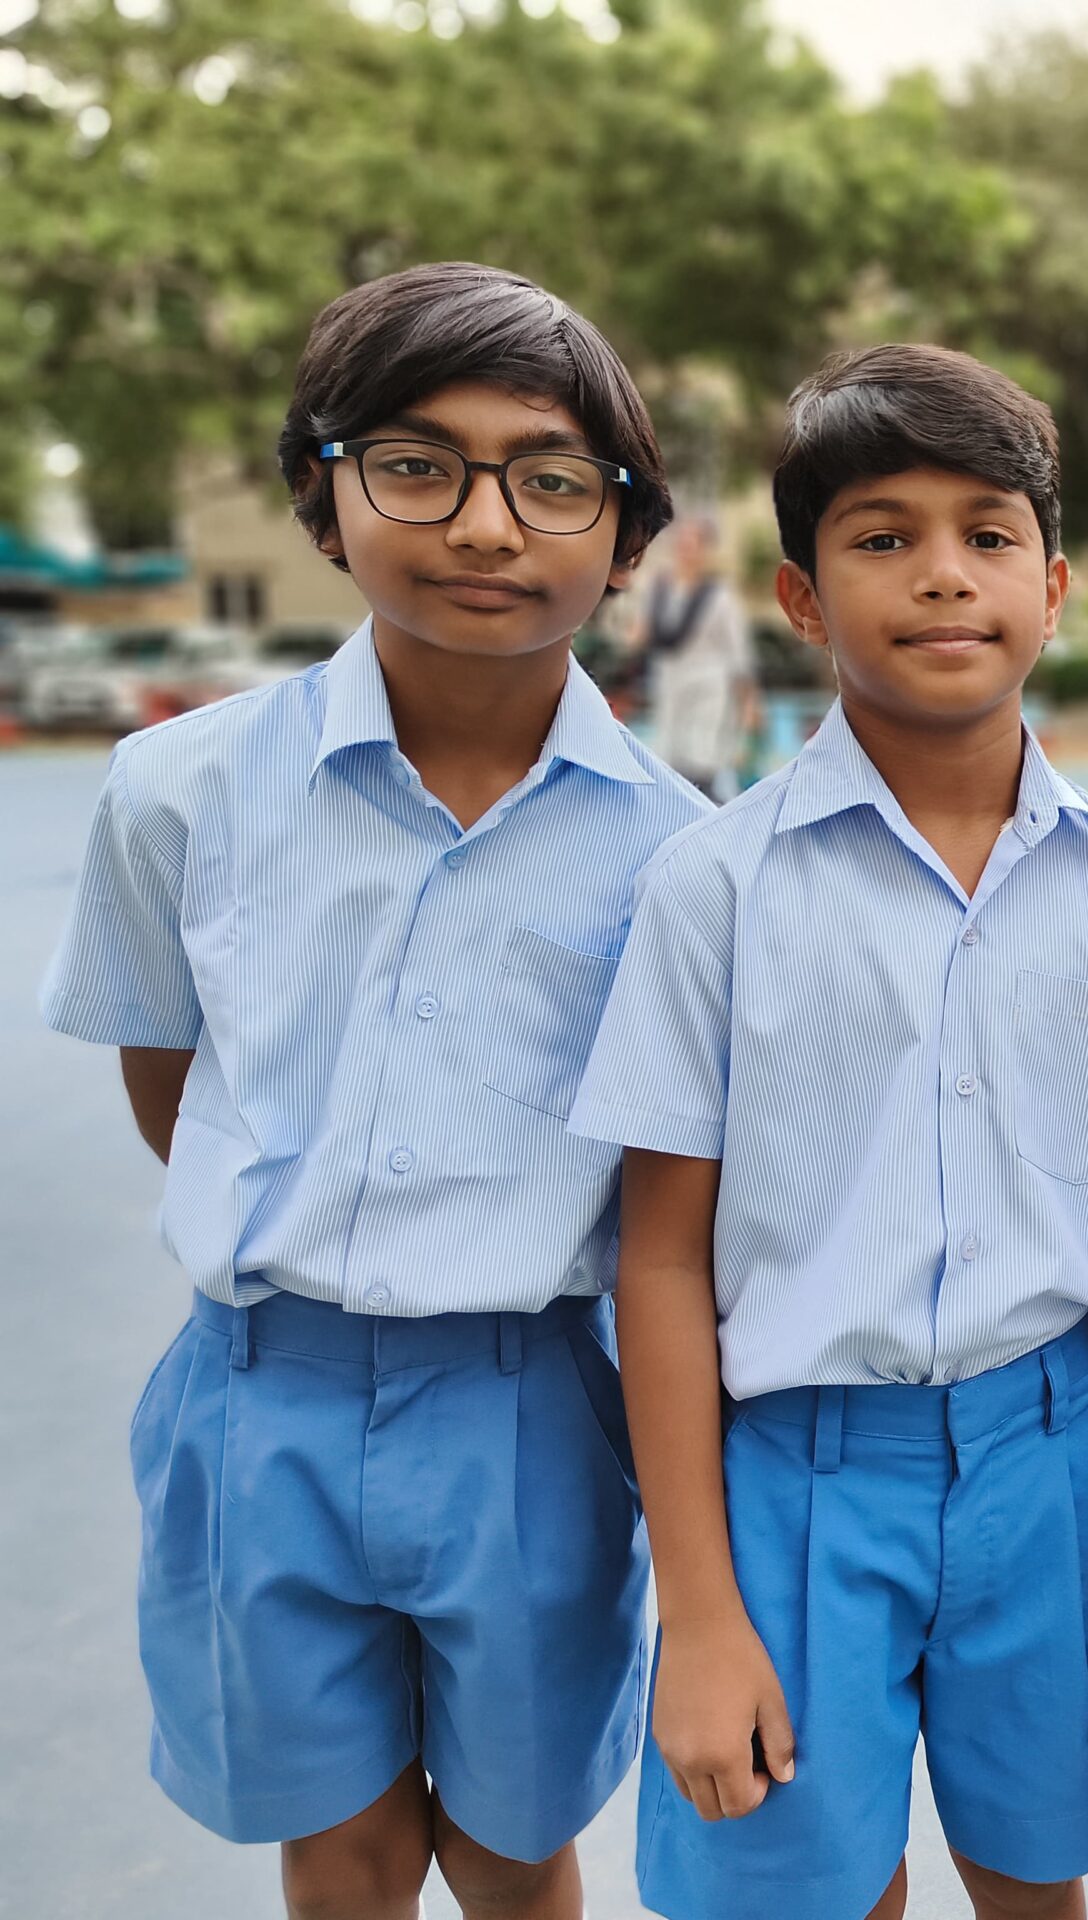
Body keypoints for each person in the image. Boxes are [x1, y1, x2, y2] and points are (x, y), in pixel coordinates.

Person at [38, 262, 707, 1920]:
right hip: (260, 1391)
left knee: (511, 1847)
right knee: (338, 1851)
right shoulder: (178, 790)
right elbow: (172, 1076)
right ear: (321, 493)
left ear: (627, 535)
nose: (485, 524)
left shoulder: (683, 853)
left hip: (530, 1413)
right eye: (417, 465)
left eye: (552, 481)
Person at [567, 343, 1088, 1920]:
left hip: (1055, 1462)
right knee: (805, 1889)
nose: (942, 575)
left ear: (1053, 589)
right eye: (883, 537)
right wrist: (700, 1613)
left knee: (1034, 1873)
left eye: (988, 535)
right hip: (796, 1478)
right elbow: (660, 1262)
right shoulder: (714, 890)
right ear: (801, 598)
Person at [633, 516, 760, 796]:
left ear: (705, 551)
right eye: (682, 544)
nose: (687, 551)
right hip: (669, 683)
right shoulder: (658, 590)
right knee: (667, 759)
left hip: (708, 689)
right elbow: (641, 634)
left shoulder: (720, 597)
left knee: (702, 762)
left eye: (694, 545)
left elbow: (738, 653)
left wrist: (749, 702)